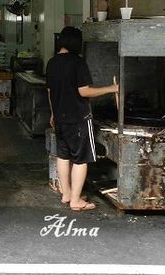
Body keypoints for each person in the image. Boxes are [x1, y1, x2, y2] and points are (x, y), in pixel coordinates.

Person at [45, 26, 118, 211]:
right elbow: (84, 91)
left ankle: (67, 194)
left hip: (60, 117)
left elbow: (50, 91)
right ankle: (76, 201)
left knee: (63, 156)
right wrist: (111, 89)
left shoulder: (52, 62)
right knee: (80, 159)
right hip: (77, 117)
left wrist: (53, 112)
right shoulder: (78, 62)